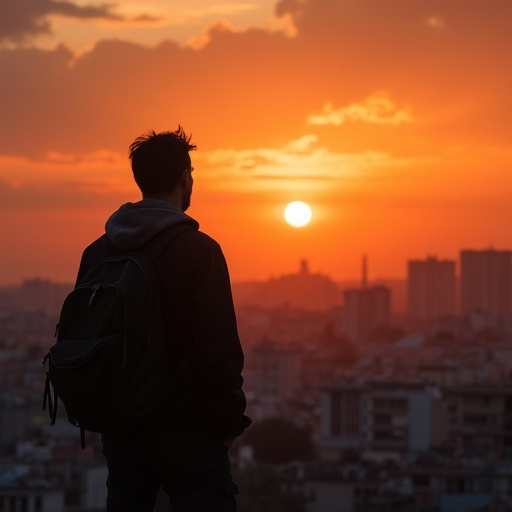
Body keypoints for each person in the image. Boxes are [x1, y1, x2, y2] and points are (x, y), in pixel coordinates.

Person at [74, 127, 250, 512]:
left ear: (140, 179)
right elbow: (218, 352)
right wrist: (227, 426)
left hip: (122, 429)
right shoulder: (200, 252)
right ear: (186, 177)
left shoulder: (97, 252)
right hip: (188, 433)